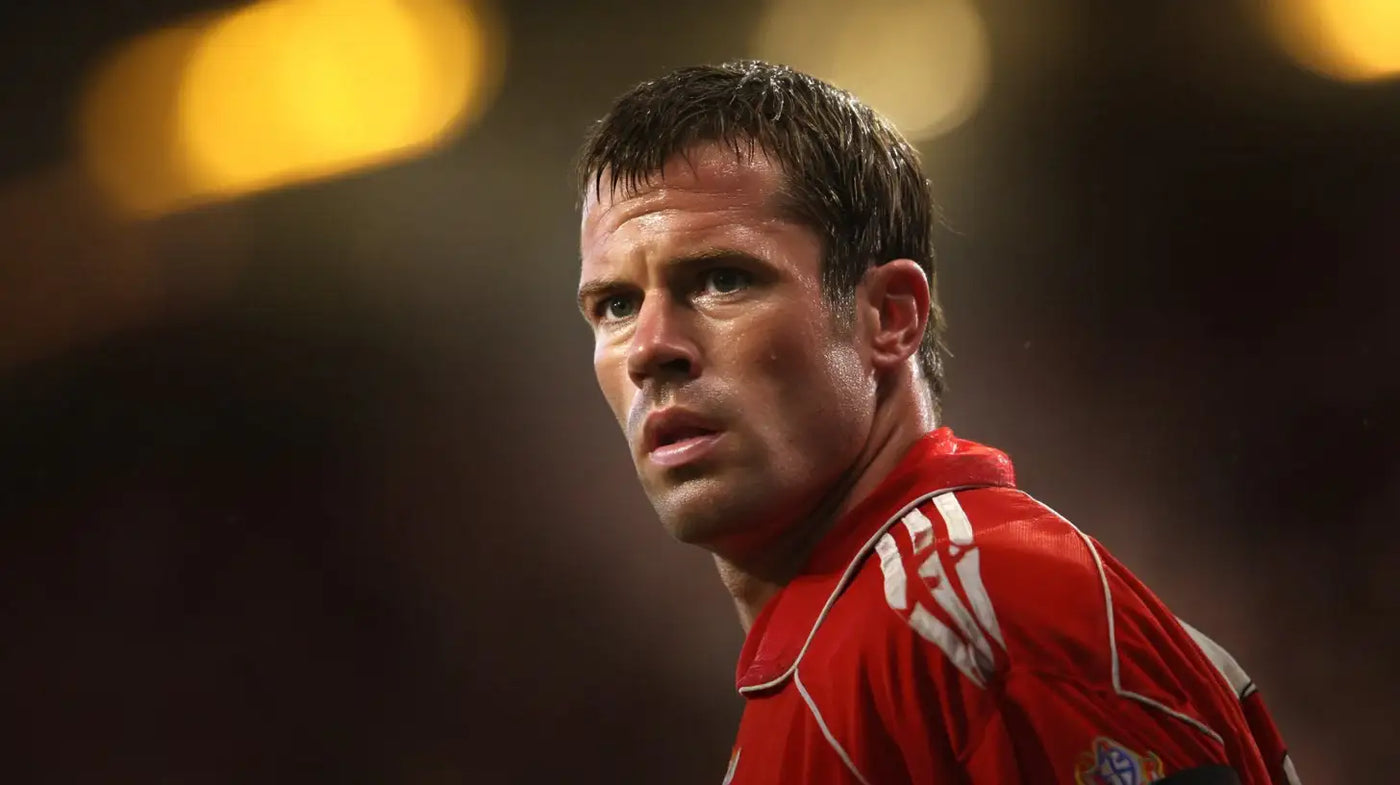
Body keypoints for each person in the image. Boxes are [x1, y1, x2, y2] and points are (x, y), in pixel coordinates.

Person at [574, 60, 1299, 785]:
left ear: (890, 316)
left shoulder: (983, 607)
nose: (648, 349)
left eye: (722, 279)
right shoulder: (863, 637)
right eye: (615, 304)